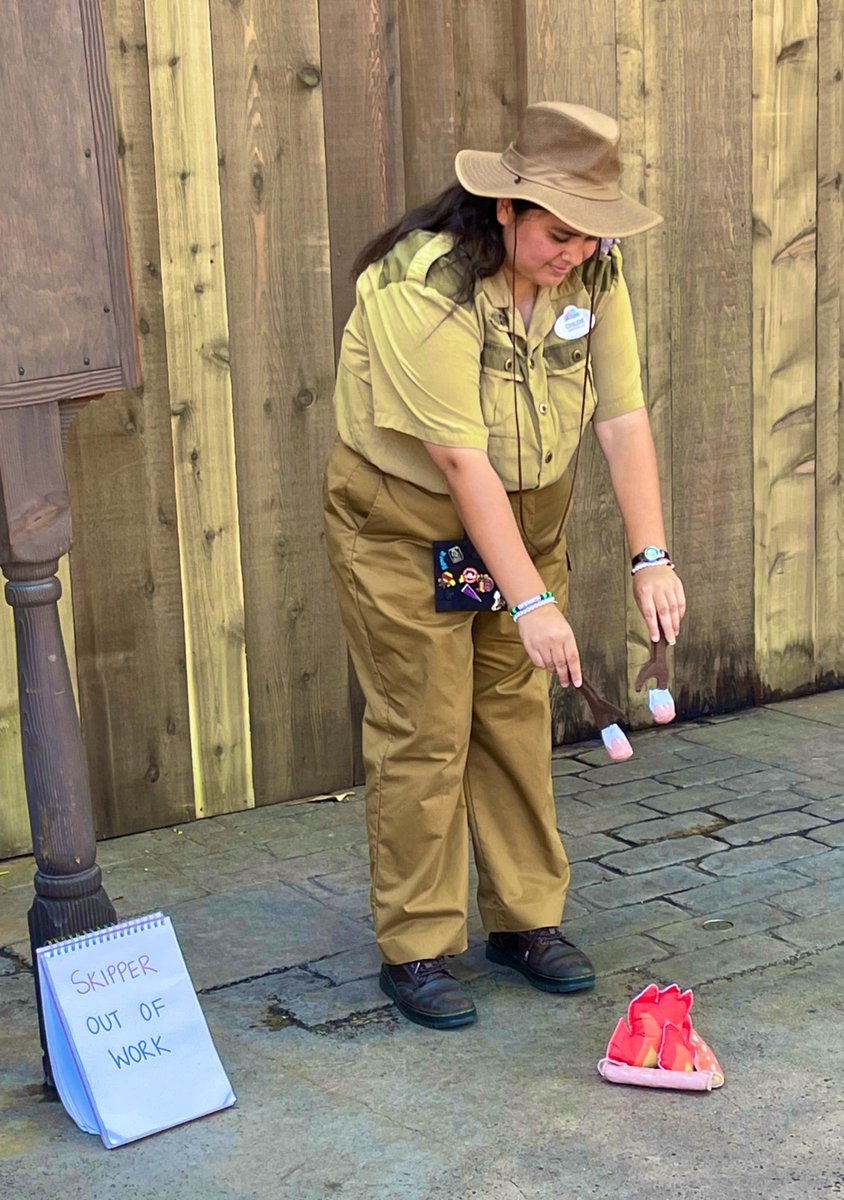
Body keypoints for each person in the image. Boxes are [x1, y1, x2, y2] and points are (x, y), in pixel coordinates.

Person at [323, 101, 686, 1030]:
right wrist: (531, 602)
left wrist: (650, 556)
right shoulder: (424, 286)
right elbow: (459, 460)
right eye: (559, 232)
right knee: (426, 729)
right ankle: (418, 944)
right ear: (506, 211)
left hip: (529, 519)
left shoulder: (595, 273)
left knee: (516, 718)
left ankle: (526, 920)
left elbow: (622, 415)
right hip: (409, 531)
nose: (576, 252)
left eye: (591, 235)